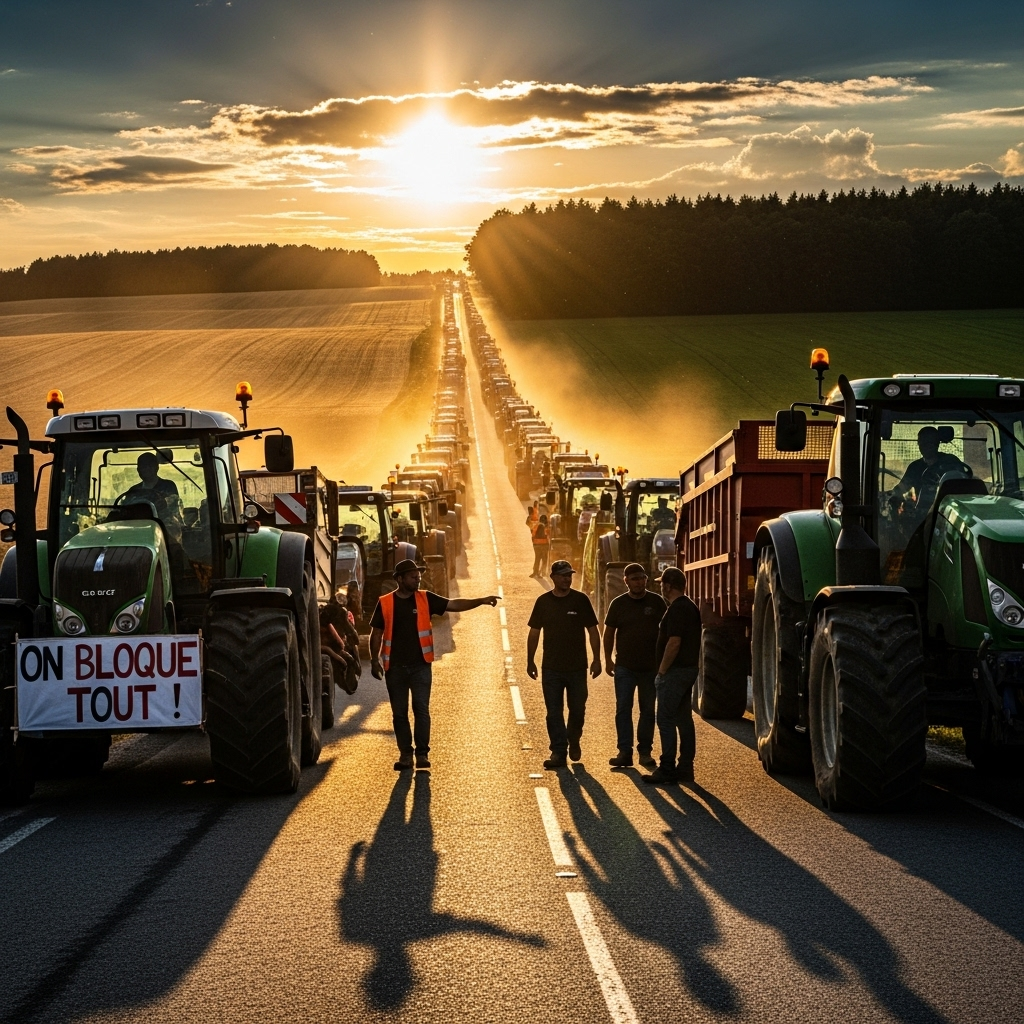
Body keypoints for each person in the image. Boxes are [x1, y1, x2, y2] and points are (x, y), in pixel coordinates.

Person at [369, 559, 498, 771]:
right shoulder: (385, 603)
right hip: (395, 668)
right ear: (400, 579)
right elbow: (376, 634)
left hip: (421, 666)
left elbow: (453, 604)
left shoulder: (425, 598)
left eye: (418, 576)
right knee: (399, 714)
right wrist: (375, 660)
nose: (417, 579)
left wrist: (481, 601)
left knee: (421, 710)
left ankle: (422, 754)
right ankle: (405, 755)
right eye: (413, 576)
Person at [526, 559, 601, 769]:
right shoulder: (543, 602)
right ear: (553, 578)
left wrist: (596, 659)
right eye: (563, 576)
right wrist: (530, 660)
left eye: (569, 575)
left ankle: (573, 738)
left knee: (577, 709)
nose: (567, 579)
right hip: (551, 668)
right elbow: (534, 632)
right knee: (554, 712)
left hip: (577, 668)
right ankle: (558, 752)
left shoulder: (580, 600)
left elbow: (593, 630)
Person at [603, 563, 666, 769]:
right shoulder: (618, 604)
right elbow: (609, 633)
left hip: (650, 668)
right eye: (634, 579)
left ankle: (645, 752)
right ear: (626, 581)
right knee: (623, 709)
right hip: (625, 667)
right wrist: (607, 659)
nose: (639, 582)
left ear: (646, 579)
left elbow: (667, 631)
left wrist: (665, 662)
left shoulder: (657, 602)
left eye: (642, 578)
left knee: (647, 710)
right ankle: (624, 752)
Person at [643, 566, 702, 786]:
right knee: (683, 719)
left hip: (675, 672)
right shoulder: (690, 606)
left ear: (668, 586)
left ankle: (667, 767)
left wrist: (661, 671)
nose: (661, 587)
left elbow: (674, 642)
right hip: (688, 669)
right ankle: (685, 768)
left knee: (665, 719)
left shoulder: (677, 609)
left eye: (662, 584)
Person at [889, 426, 964, 521]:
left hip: (950, 514)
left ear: (937, 443)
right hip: (923, 516)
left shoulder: (950, 462)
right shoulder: (915, 467)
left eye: (929, 442)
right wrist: (891, 496)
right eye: (922, 442)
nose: (925, 446)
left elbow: (964, 485)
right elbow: (902, 488)